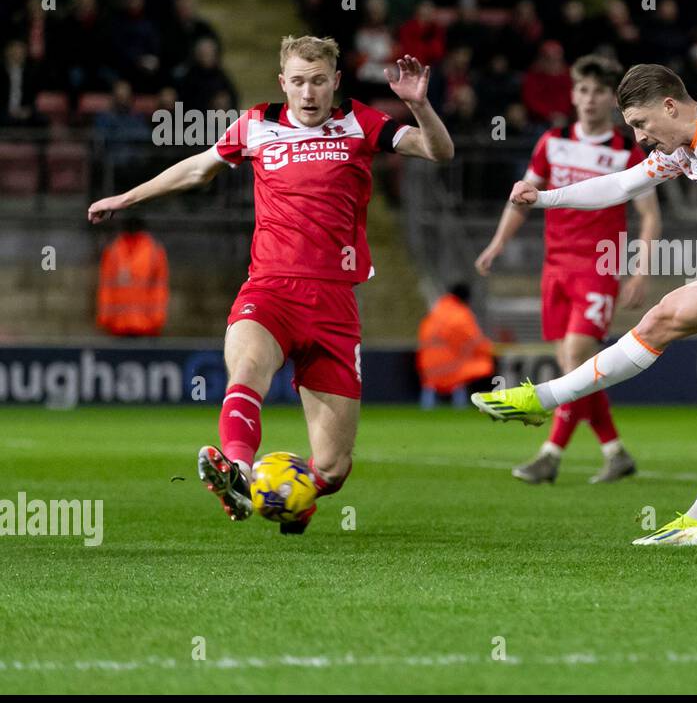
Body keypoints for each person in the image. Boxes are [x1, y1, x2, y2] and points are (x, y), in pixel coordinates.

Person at [88, 38, 453, 533]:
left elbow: (440, 151)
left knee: (333, 468)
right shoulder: (257, 124)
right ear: (283, 82)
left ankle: (294, 497)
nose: (308, 92)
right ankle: (237, 472)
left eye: (319, 80)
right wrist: (129, 197)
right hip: (270, 290)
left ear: (335, 82)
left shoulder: (360, 122)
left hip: (334, 305)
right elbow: (198, 168)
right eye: (298, 81)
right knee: (247, 372)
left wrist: (419, 106)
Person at [472, 65, 697, 546]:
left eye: (642, 124)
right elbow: (621, 186)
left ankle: (545, 398)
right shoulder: (682, 153)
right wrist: (543, 197)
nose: (641, 138)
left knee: (665, 315)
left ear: (670, 105)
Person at [476, 55, 659, 483]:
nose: (589, 99)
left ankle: (550, 455)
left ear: (611, 100)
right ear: (573, 95)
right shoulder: (551, 141)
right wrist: (499, 241)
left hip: (599, 266)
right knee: (572, 370)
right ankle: (615, 452)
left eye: (598, 91)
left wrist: (640, 270)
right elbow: (522, 196)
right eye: (582, 90)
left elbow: (649, 214)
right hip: (555, 266)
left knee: (577, 358)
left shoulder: (625, 150)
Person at [416, 283, 494, 409]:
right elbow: (474, 341)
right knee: (467, 375)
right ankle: (461, 409)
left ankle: (425, 411)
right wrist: (489, 349)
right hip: (450, 366)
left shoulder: (435, 313)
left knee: (430, 386)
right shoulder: (461, 315)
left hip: (428, 367)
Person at [96, 213, 168, 337]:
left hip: (147, 325)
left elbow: (159, 288)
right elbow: (106, 286)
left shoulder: (154, 250)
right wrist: (105, 317)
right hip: (118, 325)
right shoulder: (113, 250)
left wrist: (158, 319)